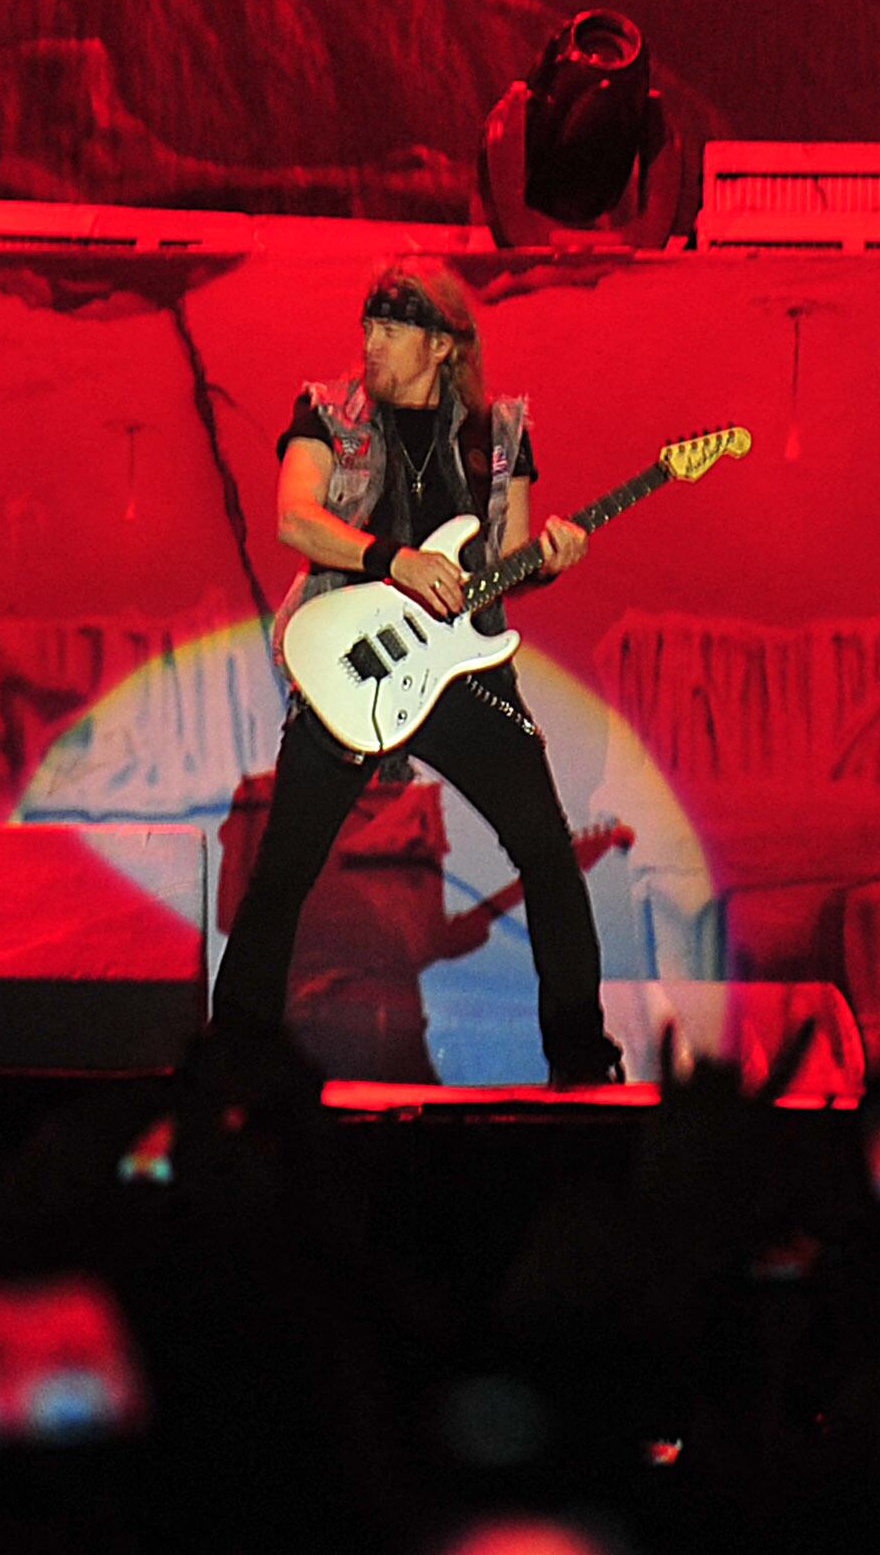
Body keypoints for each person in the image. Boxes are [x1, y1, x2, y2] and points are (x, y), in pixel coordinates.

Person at [210, 262, 621, 1086]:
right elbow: (295, 518)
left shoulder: (499, 434)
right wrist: (393, 561)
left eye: (393, 330)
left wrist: (548, 561)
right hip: (354, 662)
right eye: (369, 326)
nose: (372, 343)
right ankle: (228, 1065)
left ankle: (581, 1058)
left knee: (547, 851)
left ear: (441, 345)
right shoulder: (328, 414)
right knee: (285, 867)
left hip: (461, 669)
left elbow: (507, 564)